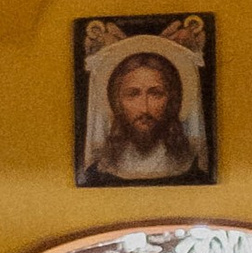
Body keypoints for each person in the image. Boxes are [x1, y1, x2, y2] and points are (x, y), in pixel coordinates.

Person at [78, 47, 202, 184]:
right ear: (116, 102)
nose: (144, 108)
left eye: (156, 93)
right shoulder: (102, 167)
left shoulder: (190, 165)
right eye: (132, 94)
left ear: (172, 100)